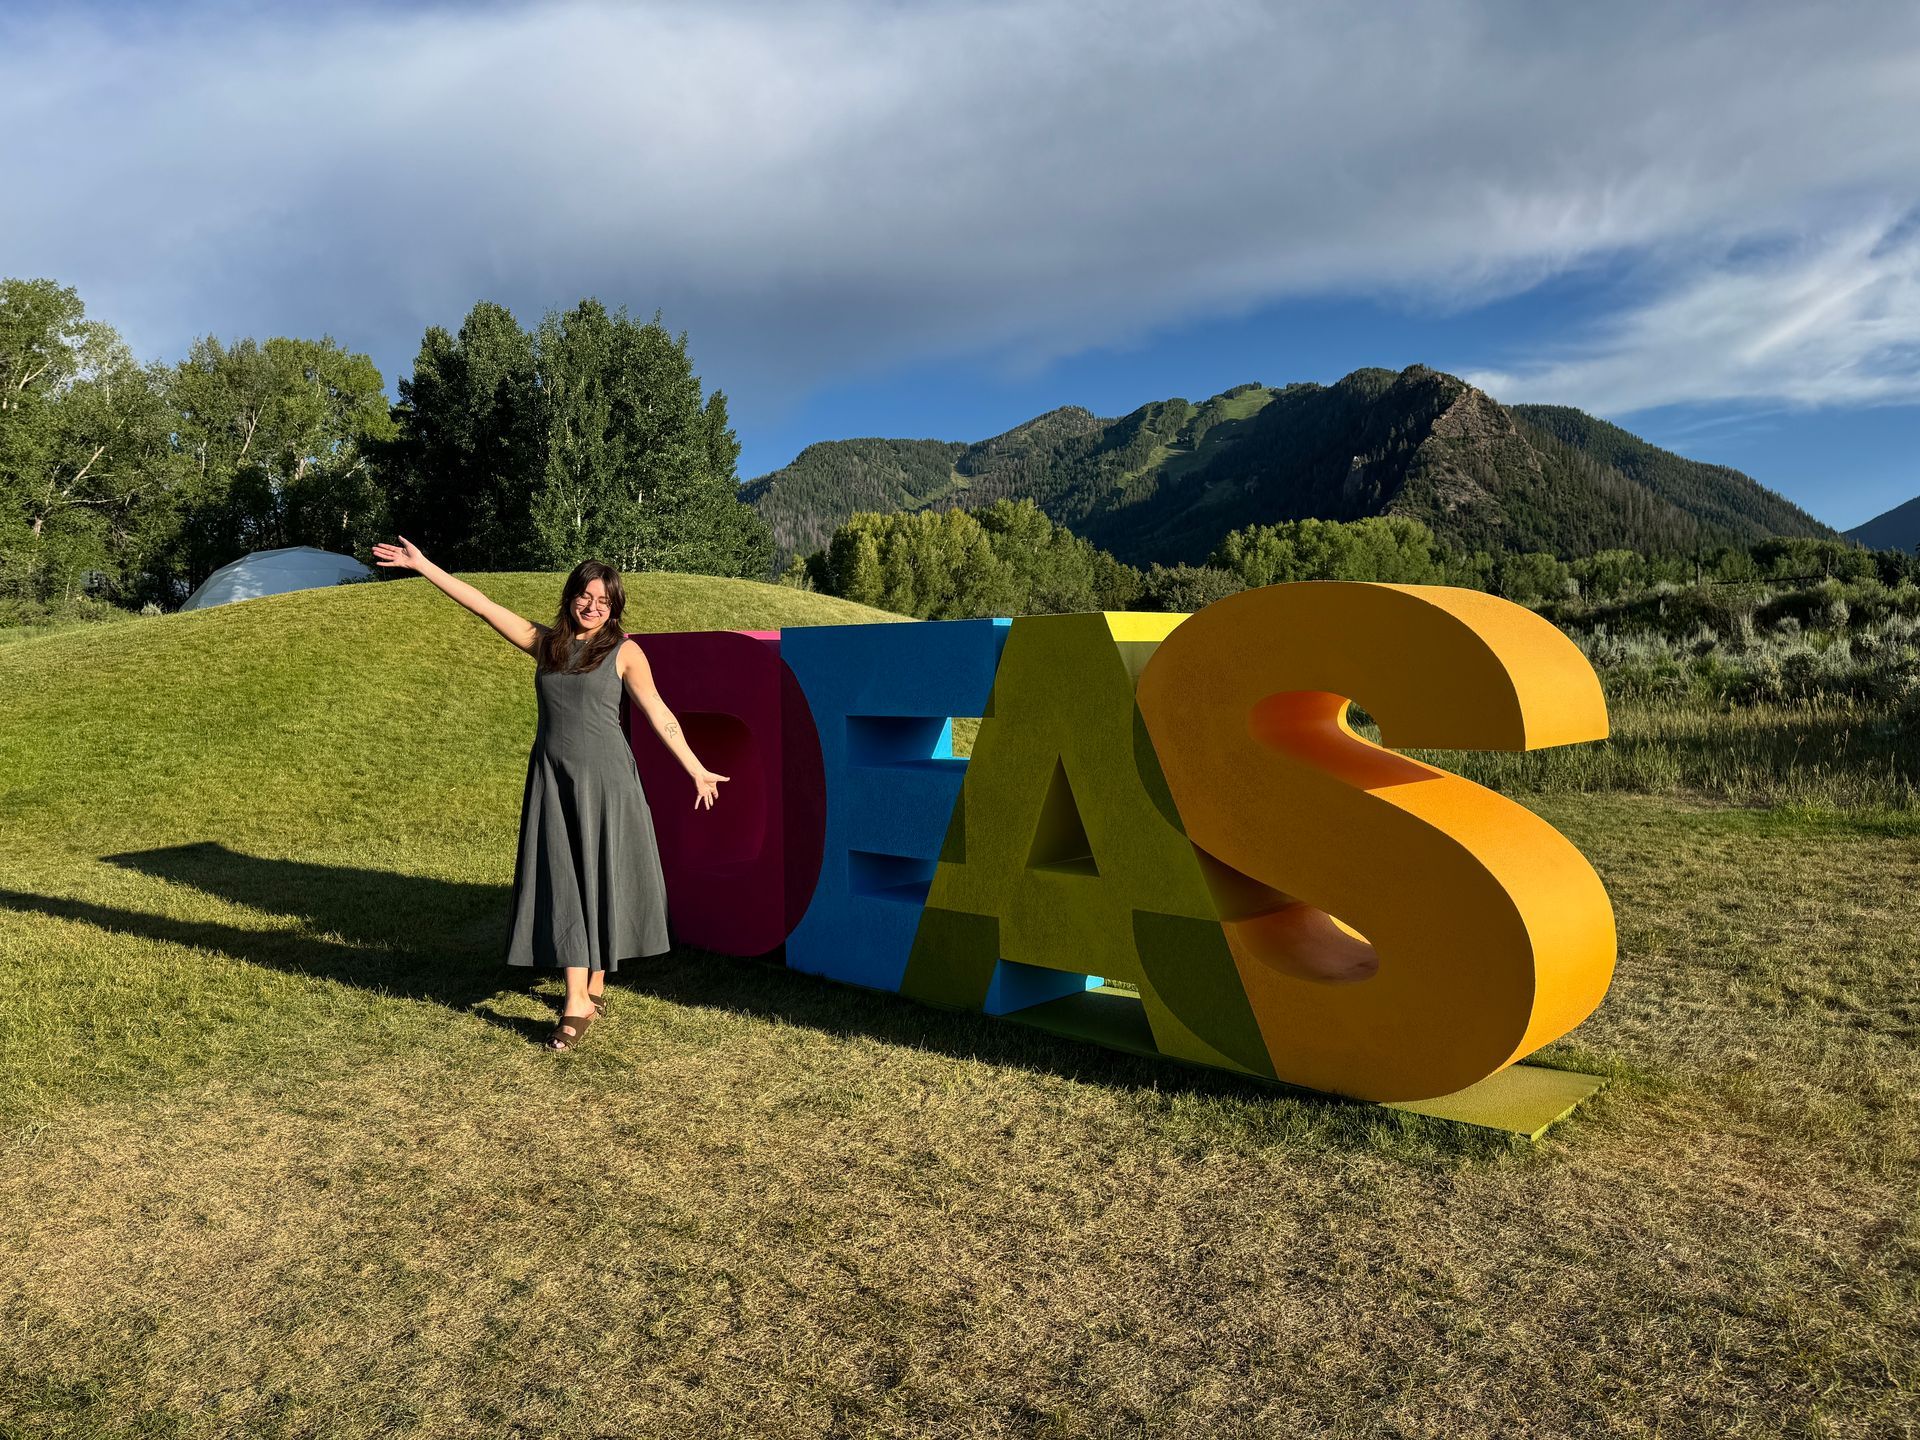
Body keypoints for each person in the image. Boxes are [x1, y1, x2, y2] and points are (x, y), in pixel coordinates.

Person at [371, 537, 728, 1051]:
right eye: (586, 595)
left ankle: (588, 991)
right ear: (571, 597)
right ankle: (580, 994)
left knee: (599, 872)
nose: (593, 606)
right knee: (565, 879)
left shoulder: (625, 652)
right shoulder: (548, 645)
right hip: (552, 778)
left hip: (606, 782)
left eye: (605, 601)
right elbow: (482, 604)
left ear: (615, 608)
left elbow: (658, 712)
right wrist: (425, 565)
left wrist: (695, 768)